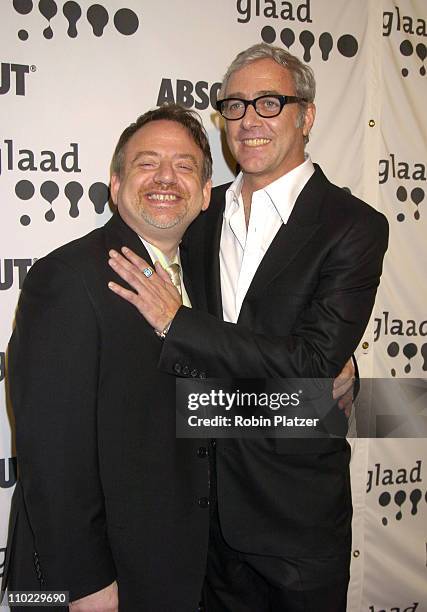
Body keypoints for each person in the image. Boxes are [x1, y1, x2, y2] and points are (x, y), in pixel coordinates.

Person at [107, 43, 389, 611]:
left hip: (295, 526)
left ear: (306, 116)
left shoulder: (353, 225)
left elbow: (312, 369)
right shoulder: (198, 211)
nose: (249, 121)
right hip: (200, 518)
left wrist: (178, 323)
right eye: (234, 106)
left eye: (269, 102)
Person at [2, 105, 214, 611]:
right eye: (147, 163)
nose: (166, 177)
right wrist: (84, 586)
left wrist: (329, 394)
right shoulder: (68, 278)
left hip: (173, 566)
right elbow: (51, 453)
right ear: (115, 185)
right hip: (94, 581)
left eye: (185, 166)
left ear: (206, 194)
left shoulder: (204, 284)